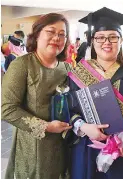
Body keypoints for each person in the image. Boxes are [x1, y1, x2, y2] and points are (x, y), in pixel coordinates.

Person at [64, 7, 123, 179]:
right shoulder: (78, 74)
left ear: (121, 41)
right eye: (100, 37)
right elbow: (68, 110)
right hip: (87, 148)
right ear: (92, 40)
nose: (107, 42)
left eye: (113, 37)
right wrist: (83, 127)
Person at [1, 13, 72, 179]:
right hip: (32, 147)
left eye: (62, 34)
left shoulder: (66, 68)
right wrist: (46, 126)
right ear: (38, 34)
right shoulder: (22, 65)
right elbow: (7, 109)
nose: (56, 38)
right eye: (51, 32)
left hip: (61, 145)